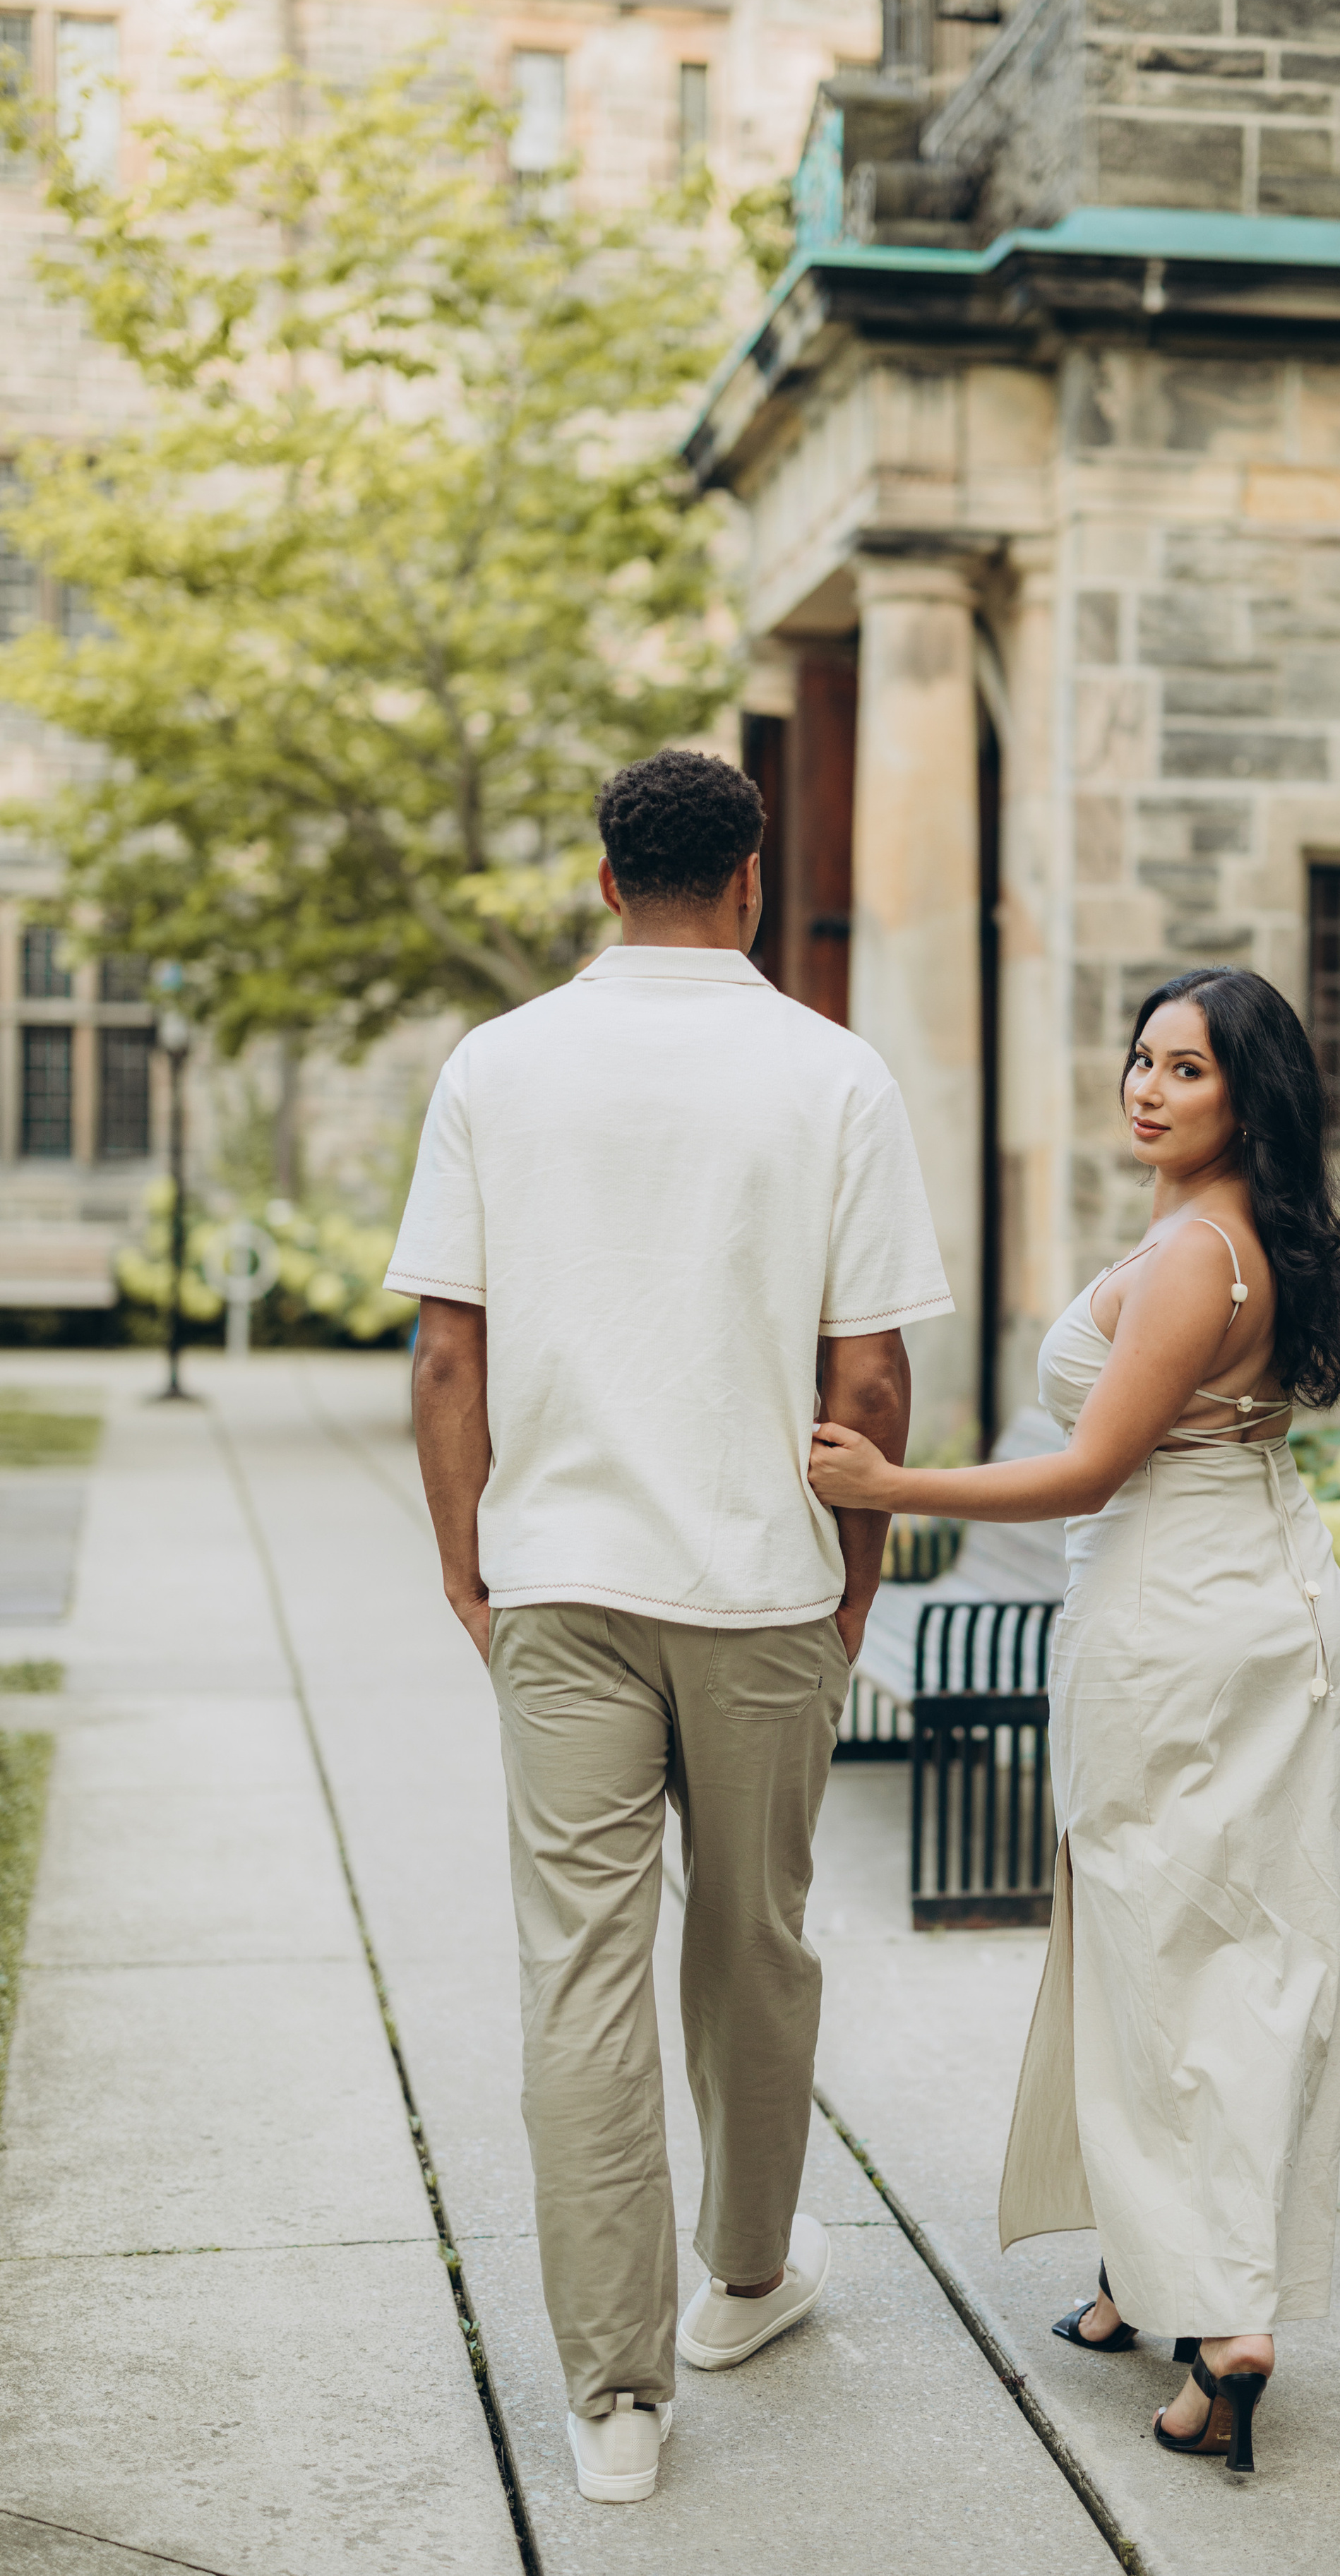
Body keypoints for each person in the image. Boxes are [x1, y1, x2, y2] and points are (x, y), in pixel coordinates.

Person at [387, 748, 952, 2508]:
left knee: (579, 1974)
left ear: (604, 878)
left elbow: (447, 1356)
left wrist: (469, 1568)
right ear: (751, 876)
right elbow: (870, 1375)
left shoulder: (496, 1064)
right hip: (762, 1583)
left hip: (558, 1585)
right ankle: (746, 2280)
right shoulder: (832, 1071)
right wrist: (854, 1579)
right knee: (755, 1946)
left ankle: (614, 2403)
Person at [809, 964, 1340, 2478]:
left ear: (1246, 1096)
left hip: (1176, 1627)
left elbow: (1087, 1471)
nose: (1146, 1086)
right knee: (1218, 1948)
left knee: (1174, 1963)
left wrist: (888, 1487)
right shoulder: (1251, 1235)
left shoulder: (1197, 1253)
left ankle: (1227, 2324)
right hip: (1253, 1598)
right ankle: (1147, 2271)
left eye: (1186, 1068)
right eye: (1140, 1058)